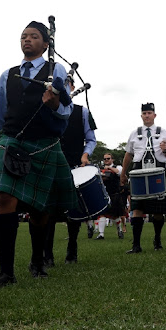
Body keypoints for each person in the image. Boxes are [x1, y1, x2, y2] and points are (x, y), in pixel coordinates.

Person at [0, 21, 78, 288]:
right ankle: (5, 273)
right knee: (3, 198)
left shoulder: (56, 70)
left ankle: (37, 261)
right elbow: (1, 113)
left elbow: (66, 112)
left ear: (46, 44)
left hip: (44, 143)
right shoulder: (6, 75)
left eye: (34, 36)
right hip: (10, 141)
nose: (27, 40)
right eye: (23, 36)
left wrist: (55, 102)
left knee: (40, 210)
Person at [43, 74, 97, 265]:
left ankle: (72, 251)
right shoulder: (45, 107)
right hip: (49, 164)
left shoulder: (82, 112)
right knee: (48, 211)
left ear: (72, 88)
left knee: (73, 210)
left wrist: (85, 156)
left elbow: (91, 140)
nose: (65, 87)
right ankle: (46, 255)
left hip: (74, 165)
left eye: (67, 84)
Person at [119, 103, 166, 254]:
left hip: (158, 172)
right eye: (144, 113)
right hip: (138, 172)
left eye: (150, 113)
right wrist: (123, 173)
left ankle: (157, 240)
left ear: (154, 115)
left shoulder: (163, 132)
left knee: (158, 211)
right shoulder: (134, 133)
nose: (147, 115)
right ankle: (136, 245)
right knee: (136, 208)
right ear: (141, 116)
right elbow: (128, 154)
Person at [97, 153, 125, 239]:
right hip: (104, 194)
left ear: (112, 159)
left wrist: (109, 168)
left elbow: (119, 172)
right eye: (104, 159)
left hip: (114, 194)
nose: (106, 160)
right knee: (102, 213)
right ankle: (101, 234)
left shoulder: (118, 167)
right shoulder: (100, 169)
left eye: (108, 158)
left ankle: (119, 230)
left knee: (114, 215)